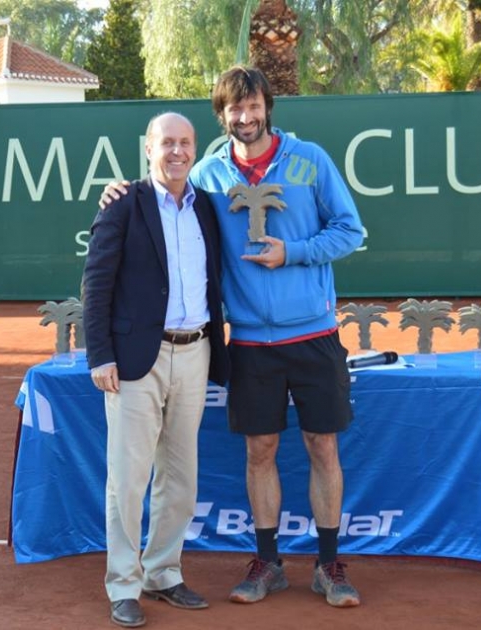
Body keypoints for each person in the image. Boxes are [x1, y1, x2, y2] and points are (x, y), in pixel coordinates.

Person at [100, 66, 365, 608]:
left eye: (253, 106)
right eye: (233, 110)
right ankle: (268, 563)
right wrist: (120, 191)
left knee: (323, 446)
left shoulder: (310, 159)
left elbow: (350, 230)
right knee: (260, 451)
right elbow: (160, 193)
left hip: (313, 333)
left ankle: (328, 565)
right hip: (246, 342)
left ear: (268, 106)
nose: (245, 117)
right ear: (221, 116)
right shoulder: (208, 176)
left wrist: (293, 252)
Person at [83, 112, 229, 628]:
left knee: (180, 475)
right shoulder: (123, 204)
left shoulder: (206, 207)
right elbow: (96, 282)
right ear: (148, 149)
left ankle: (163, 572)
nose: (177, 151)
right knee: (128, 478)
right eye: (167, 142)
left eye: (185, 143)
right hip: (134, 360)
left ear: (195, 150)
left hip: (196, 353)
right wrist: (99, 353)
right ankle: (124, 584)